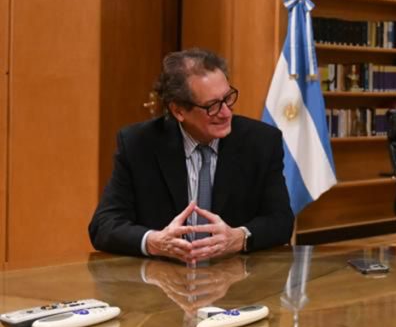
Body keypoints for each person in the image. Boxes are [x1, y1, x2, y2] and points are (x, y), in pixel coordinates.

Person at [89, 49, 294, 263]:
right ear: (178, 111)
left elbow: (281, 221)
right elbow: (103, 225)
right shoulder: (138, 144)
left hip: (236, 282)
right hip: (162, 286)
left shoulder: (261, 142)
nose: (225, 113)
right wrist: (155, 242)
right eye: (212, 106)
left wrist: (239, 237)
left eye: (227, 98)